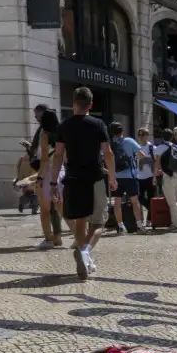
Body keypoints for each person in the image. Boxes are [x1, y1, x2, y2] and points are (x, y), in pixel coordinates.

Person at [50, 87, 117, 280]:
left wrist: (54, 181)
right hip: (94, 178)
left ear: (73, 104)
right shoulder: (98, 124)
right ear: (91, 105)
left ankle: (84, 258)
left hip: (73, 178)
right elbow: (108, 153)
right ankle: (85, 252)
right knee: (98, 222)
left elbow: (58, 155)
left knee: (80, 220)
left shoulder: (63, 127)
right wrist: (112, 177)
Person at [35, 109, 65, 249]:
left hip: (48, 174)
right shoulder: (62, 134)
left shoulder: (44, 135)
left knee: (45, 210)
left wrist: (39, 178)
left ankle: (48, 239)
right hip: (61, 171)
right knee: (60, 208)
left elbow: (44, 160)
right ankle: (61, 238)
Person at [108, 121, 142, 234]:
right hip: (130, 176)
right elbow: (142, 154)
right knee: (135, 201)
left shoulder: (110, 143)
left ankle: (120, 226)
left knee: (117, 202)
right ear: (122, 131)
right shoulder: (129, 141)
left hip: (115, 177)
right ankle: (139, 225)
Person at [154, 127, 177, 230]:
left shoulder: (159, 148)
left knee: (172, 203)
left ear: (162, 137)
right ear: (172, 136)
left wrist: (155, 177)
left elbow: (157, 164)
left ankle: (175, 224)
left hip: (168, 177)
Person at [134, 128, 156, 227]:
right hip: (138, 177)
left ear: (147, 136)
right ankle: (144, 214)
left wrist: (145, 160)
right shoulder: (135, 147)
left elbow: (156, 161)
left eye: (142, 135)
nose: (140, 137)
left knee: (152, 198)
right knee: (139, 199)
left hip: (150, 176)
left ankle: (149, 220)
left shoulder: (152, 147)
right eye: (139, 135)